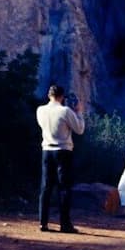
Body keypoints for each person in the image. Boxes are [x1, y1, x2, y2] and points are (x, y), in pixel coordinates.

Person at [36, 84, 85, 233]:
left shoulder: (40, 110)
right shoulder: (65, 111)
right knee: (64, 188)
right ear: (62, 97)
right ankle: (65, 224)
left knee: (46, 187)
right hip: (63, 150)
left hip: (46, 150)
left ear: (48, 95)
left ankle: (43, 222)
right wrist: (79, 113)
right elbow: (79, 129)